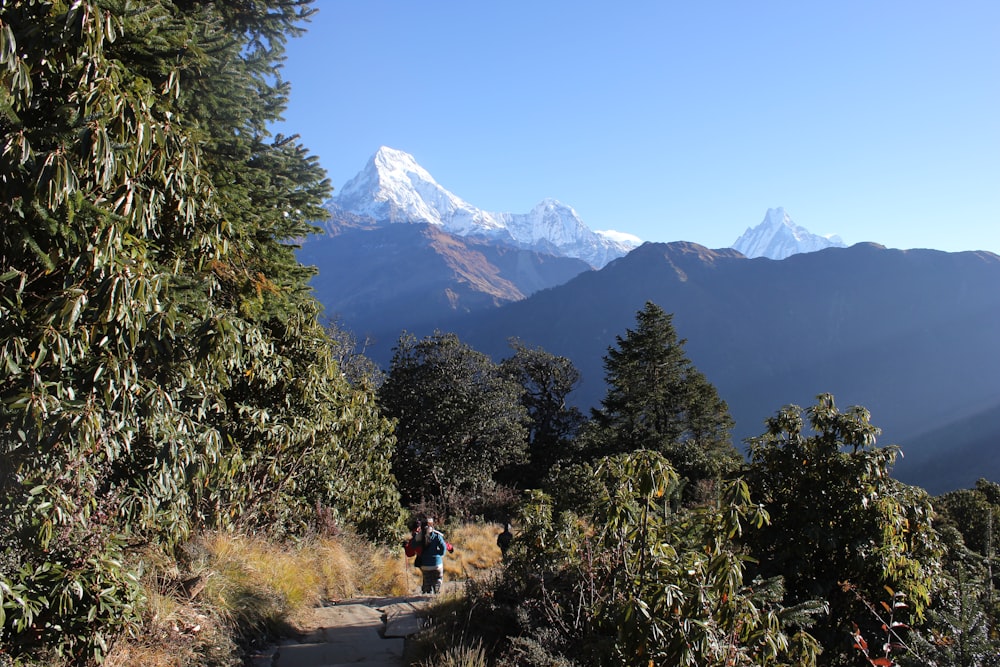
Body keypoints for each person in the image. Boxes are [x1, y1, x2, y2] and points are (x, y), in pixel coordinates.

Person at [416, 517, 453, 594]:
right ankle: (437, 587)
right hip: (436, 563)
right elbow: (443, 547)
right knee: (438, 578)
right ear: (432, 525)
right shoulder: (437, 536)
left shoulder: (419, 536)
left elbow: (413, 546)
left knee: (426, 578)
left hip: (424, 564)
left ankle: (427, 589)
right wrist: (439, 554)